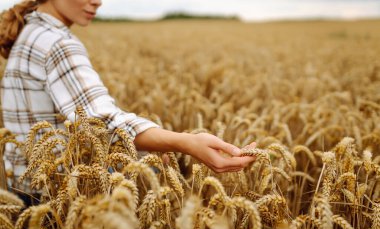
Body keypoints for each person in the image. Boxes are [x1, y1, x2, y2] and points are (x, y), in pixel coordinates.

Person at [0, 0, 256, 194]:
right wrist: (186, 143)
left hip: (22, 186)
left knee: (151, 157)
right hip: (53, 195)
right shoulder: (57, 43)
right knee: (154, 166)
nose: (98, 1)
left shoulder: (28, 32)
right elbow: (100, 121)